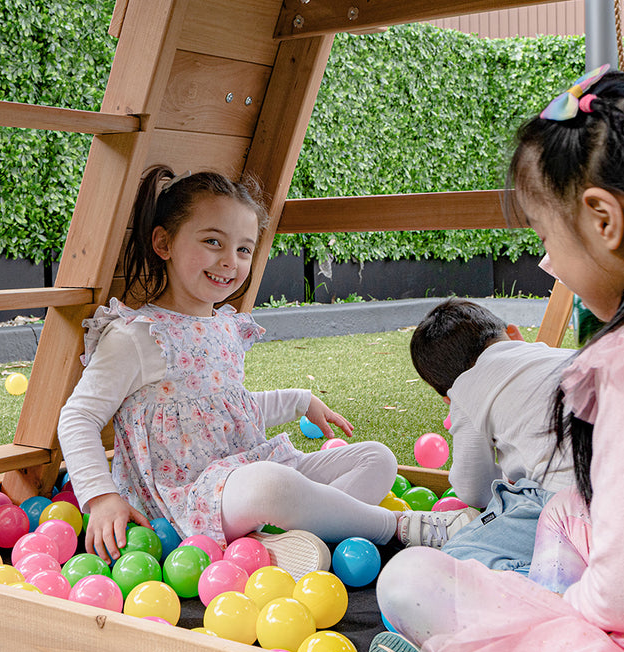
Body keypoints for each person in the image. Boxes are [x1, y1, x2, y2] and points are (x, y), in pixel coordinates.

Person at [375, 67, 624, 652]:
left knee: (409, 579)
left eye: (546, 237)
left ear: (602, 218)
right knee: (565, 509)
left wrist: (558, 610)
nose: (548, 260)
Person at [57, 165, 408, 578]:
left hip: (244, 476)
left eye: (243, 249)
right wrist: (101, 497)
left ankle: (289, 543)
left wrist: (299, 401)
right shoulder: (136, 336)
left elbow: (225, 409)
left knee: (377, 458)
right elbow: (78, 416)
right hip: (188, 498)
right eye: (212, 242)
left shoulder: (226, 326)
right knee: (272, 485)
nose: (230, 262)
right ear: (163, 242)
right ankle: (397, 528)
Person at [406, 297, 574, 572]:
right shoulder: (557, 355)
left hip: (569, 504)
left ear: (448, 396)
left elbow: (474, 488)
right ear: (513, 334)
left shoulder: (466, 388)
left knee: (456, 558)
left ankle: (555, 580)